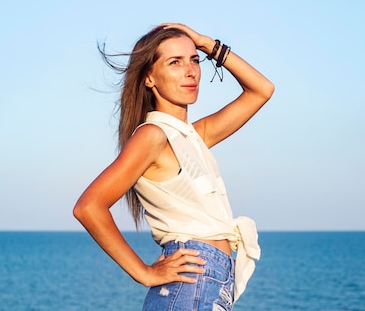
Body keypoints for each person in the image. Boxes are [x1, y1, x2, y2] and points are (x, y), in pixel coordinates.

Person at [74, 23, 274, 310]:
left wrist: (207, 44)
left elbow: (262, 90)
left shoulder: (193, 136)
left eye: (194, 60)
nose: (191, 71)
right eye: (175, 62)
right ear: (149, 78)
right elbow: (89, 206)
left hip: (208, 284)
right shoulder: (152, 136)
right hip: (190, 285)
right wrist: (143, 272)